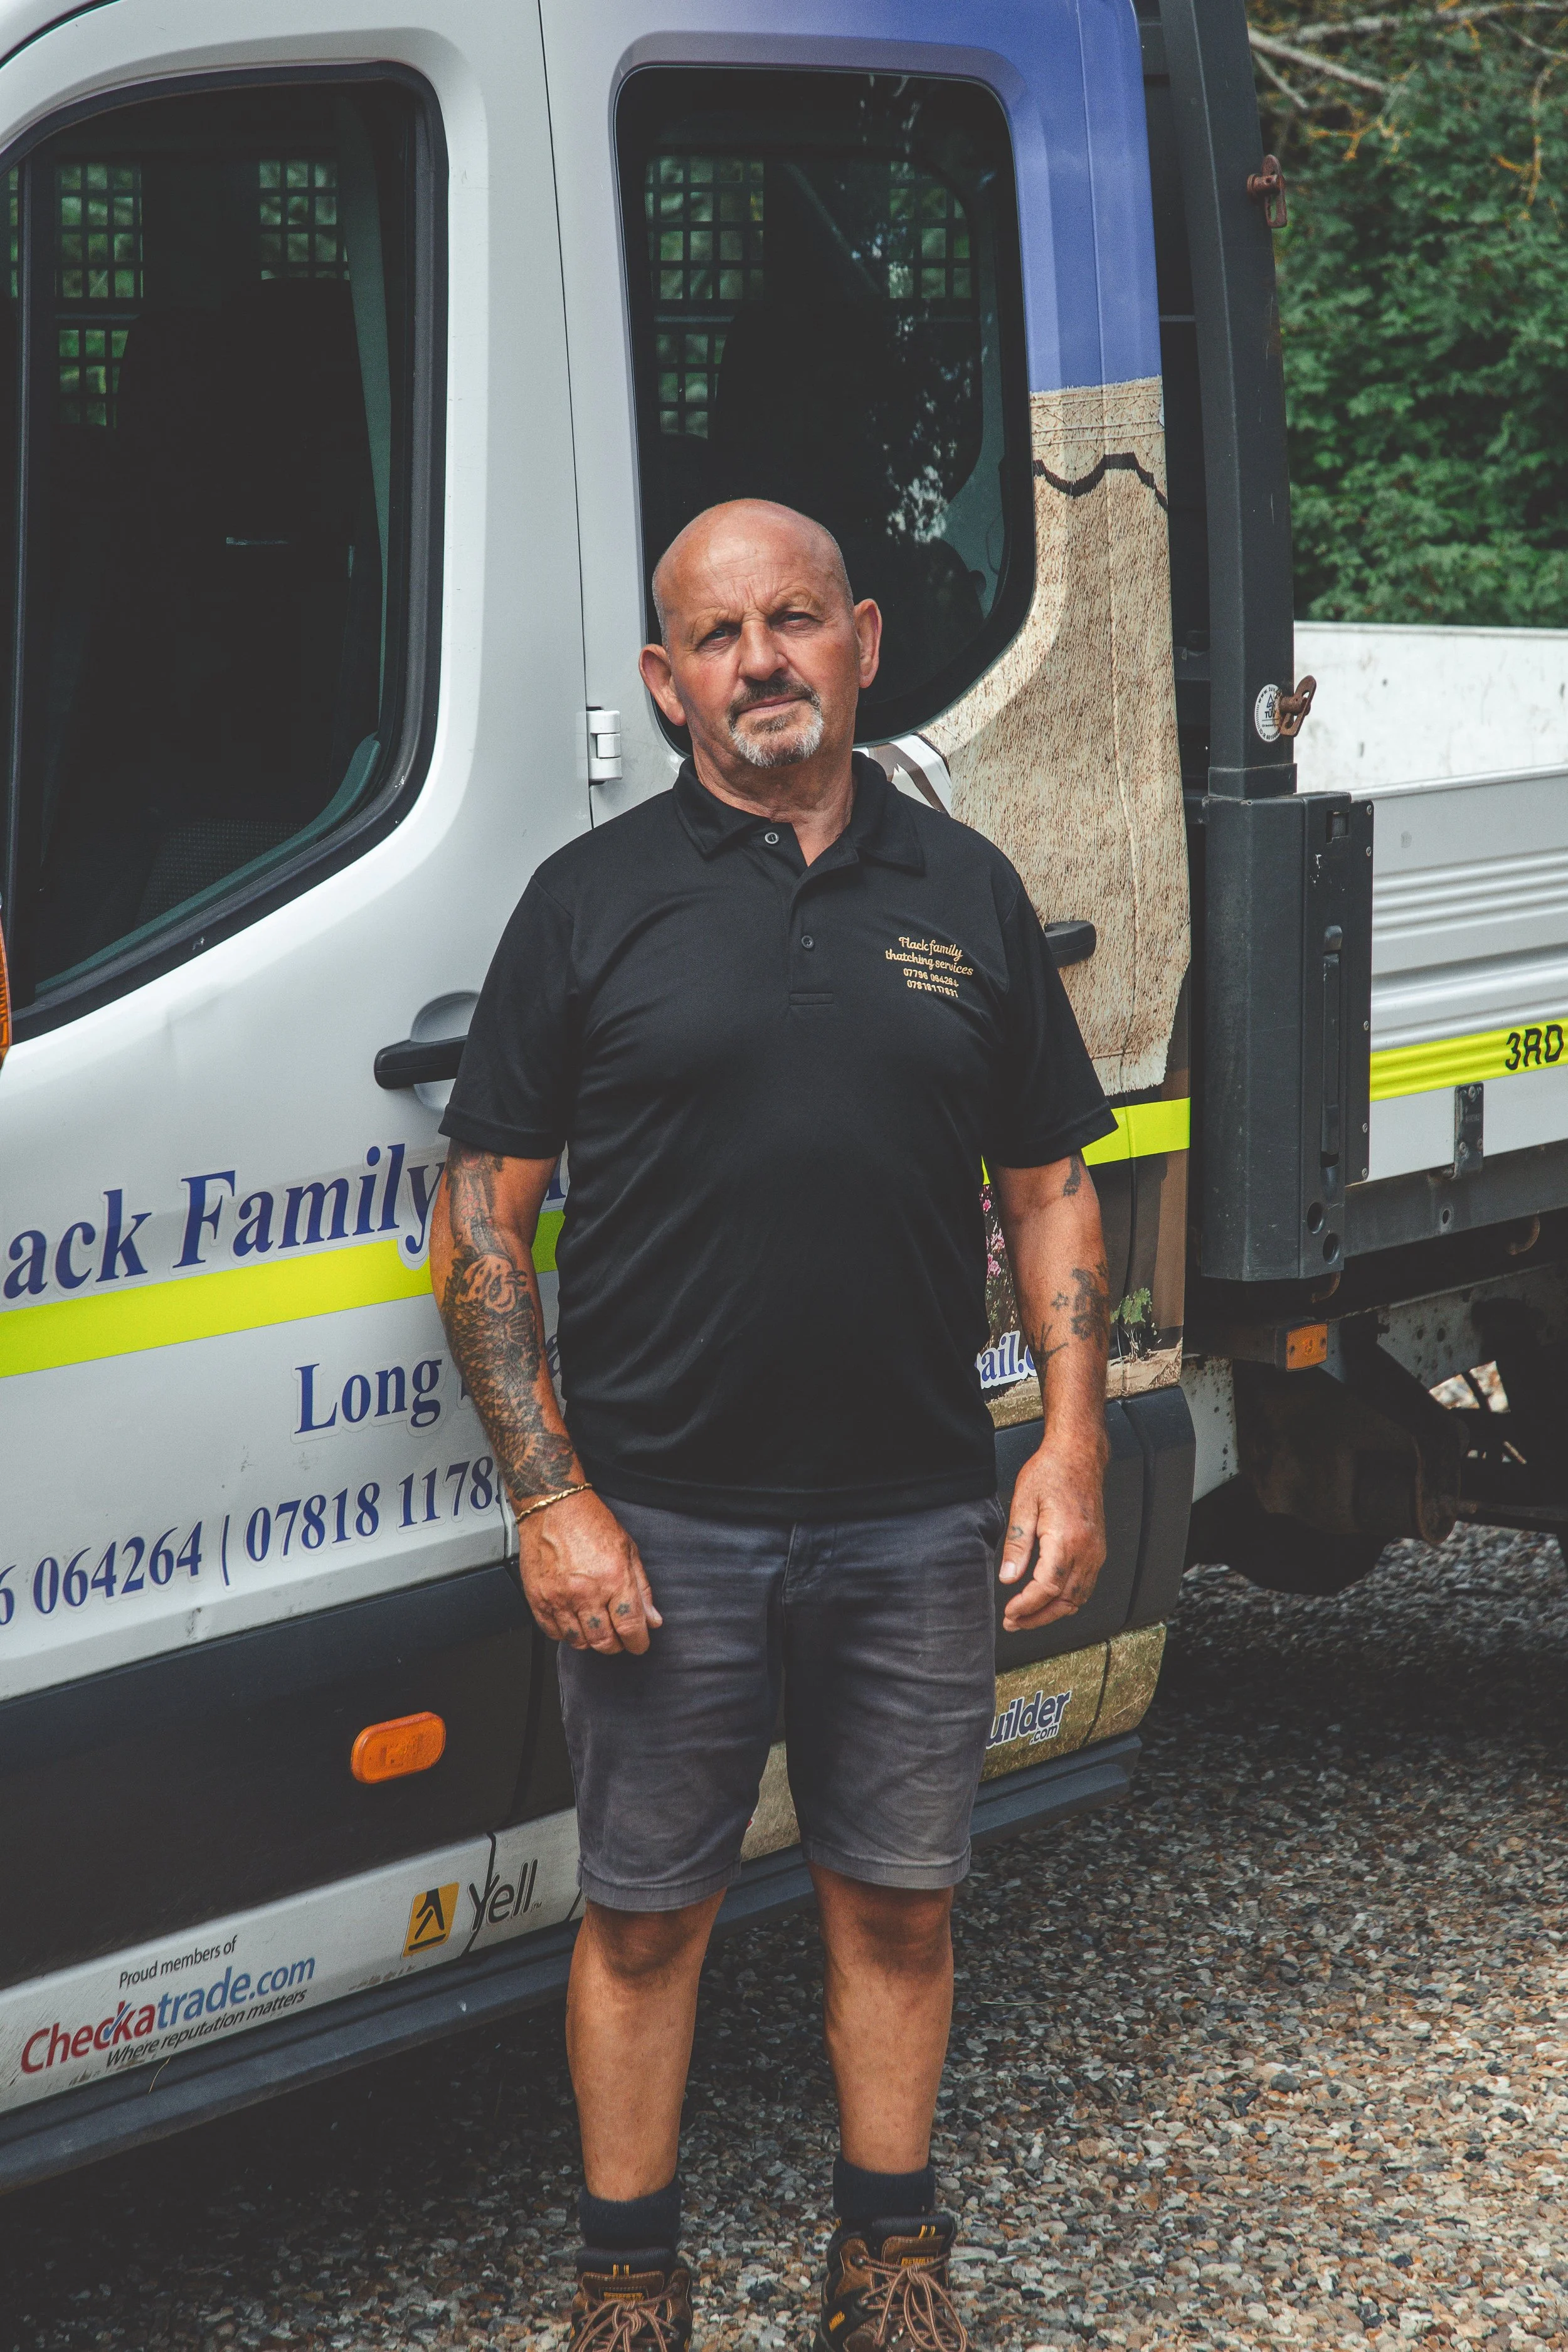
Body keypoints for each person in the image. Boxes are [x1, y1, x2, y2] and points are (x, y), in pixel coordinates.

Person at [432, 498, 1115, 2352]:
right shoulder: (589, 905)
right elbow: (482, 1219)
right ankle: (627, 2281)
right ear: (666, 683)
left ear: (863, 638)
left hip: (909, 1515)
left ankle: (885, 2265)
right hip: (663, 1525)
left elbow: (1050, 1184)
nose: (762, 662)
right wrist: (550, 1496)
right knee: (646, 1919)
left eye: (794, 619)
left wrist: (1070, 1438)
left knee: (897, 1905)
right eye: (719, 636)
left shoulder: (959, 889)